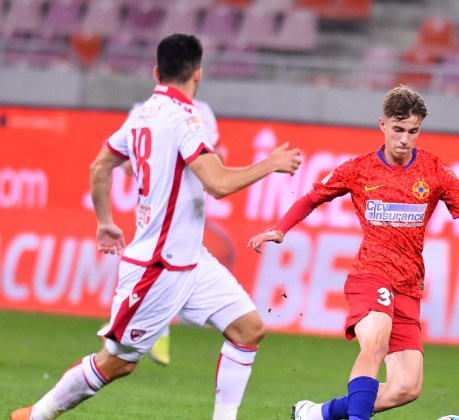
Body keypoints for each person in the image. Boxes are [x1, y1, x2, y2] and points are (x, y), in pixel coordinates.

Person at [11, 33, 302, 420]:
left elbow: (100, 166)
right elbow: (217, 183)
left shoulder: (142, 114)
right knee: (116, 364)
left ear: (155, 71)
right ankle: (36, 416)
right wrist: (270, 164)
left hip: (190, 260)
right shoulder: (185, 119)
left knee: (248, 329)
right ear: (197, 76)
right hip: (159, 265)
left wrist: (104, 223)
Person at [247, 85, 459, 420]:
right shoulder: (359, 169)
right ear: (382, 125)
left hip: (408, 286)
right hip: (370, 276)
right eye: (398, 130)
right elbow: (312, 198)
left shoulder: (434, 170)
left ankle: (319, 414)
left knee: (406, 388)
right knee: (375, 343)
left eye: (412, 131)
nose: (404, 139)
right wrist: (280, 228)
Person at [125, 98, 224, 367]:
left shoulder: (143, 111)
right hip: (161, 210)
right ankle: (153, 330)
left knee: (170, 269)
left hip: (180, 208)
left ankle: (134, 326)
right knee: (165, 266)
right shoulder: (197, 111)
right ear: (196, 74)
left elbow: (215, 156)